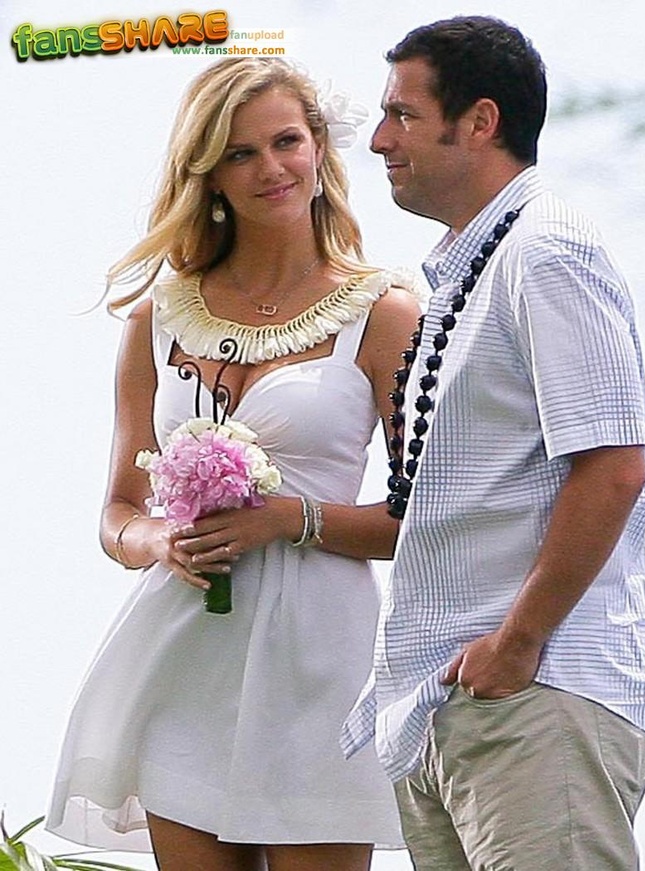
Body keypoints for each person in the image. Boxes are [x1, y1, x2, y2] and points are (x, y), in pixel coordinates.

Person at [47, 56, 420, 871]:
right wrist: (158, 540)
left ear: (319, 147)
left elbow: (422, 521)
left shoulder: (384, 313)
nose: (270, 168)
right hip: (183, 652)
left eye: (285, 142)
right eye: (239, 153)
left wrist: (289, 518)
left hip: (318, 661)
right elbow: (117, 513)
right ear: (209, 176)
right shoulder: (158, 315)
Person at [341, 16, 645, 871]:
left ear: (480, 122)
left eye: (403, 115)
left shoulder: (545, 251)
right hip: (452, 706)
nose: (379, 141)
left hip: (534, 693)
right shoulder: (469, 267)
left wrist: (519, 640)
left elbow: (614, 465)